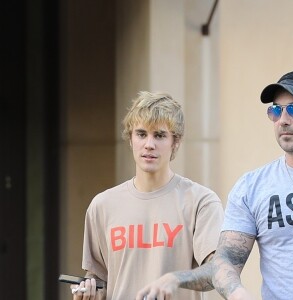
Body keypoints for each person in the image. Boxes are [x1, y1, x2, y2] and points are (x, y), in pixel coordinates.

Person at [135, 69, 293, 300]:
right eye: (276, 110)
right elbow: (224, 263)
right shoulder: (252, 188)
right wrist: (235, 292)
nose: (283, 120)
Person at [71, 91, 224, 300]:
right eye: (141, 134)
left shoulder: (200, 201)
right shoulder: (102, 206)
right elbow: (99, 278)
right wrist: (90, 292)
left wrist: (175, 279)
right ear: (131, 139)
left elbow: (217, 271)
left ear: (175, 142)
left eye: (159, 135)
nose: (149, 144)